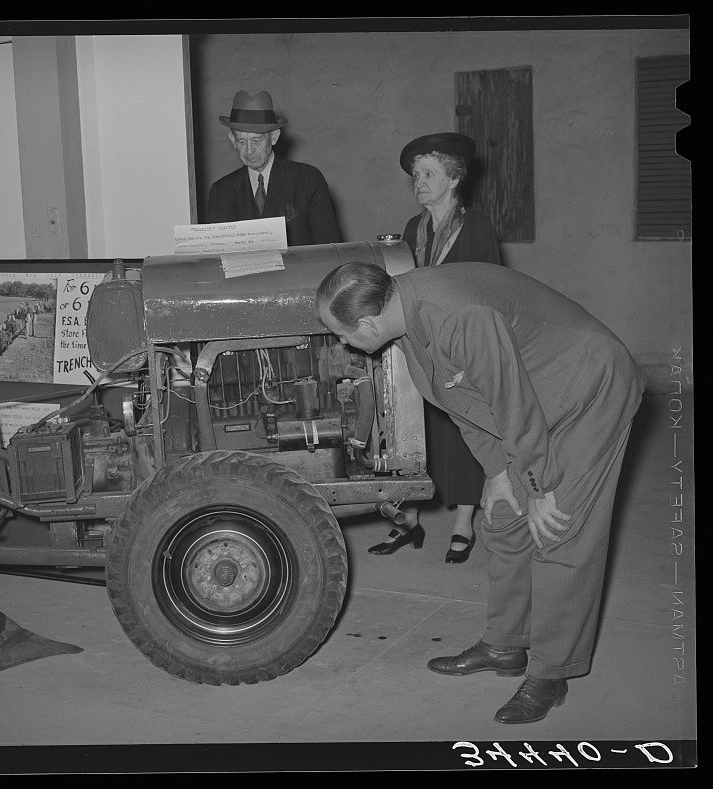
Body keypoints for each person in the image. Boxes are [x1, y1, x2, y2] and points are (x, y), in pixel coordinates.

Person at [316, 260, 644, 724]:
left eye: (342, 333)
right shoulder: (404, 317)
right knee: (504, 517)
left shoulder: (456, 316)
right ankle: (507, 644)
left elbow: (511, 401)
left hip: (588, 390)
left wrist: (540, 486)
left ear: (368, 322)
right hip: (538, 399)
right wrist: (498, 472)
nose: (342, 343)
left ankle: (551, 672)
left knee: (558, 528)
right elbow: (466, 405)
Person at [368, 133, 502, 563]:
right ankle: (409, 518)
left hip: (460, 344)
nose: (418, 183)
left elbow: (490, 291)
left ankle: (465, 523)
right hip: (420, 343)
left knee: (462, 430)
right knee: (414, 428)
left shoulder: (477, 227)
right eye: (415, 176)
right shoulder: (412, 229)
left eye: (428, 174)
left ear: (454, 178)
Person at [206, 90, 341, 246]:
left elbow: (329, 249)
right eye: (242, 142)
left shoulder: (308, 180)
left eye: (256, 141)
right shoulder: (221, 191)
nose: (249, 151)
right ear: (232, 140)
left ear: (274, 137)